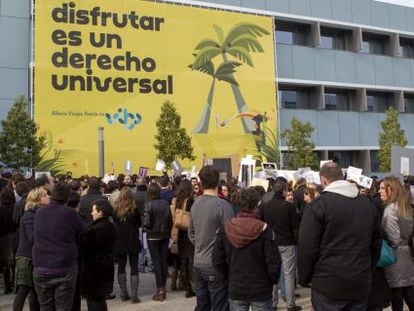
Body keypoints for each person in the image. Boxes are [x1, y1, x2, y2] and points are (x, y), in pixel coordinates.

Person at [298, 162, 382, 311]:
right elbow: (376, 243)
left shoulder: (318, 206)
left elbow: (307, 247)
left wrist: (304, 278)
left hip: (328, 282)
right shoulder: (367, 205)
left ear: (323, 180)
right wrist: (368, 269)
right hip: (358, 278)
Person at [213, 188, 281, 311]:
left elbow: (217, 260)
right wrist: (272, 280)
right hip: (259, 289)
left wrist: (229, 276)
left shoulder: (225, 230)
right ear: (256, 205)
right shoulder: (265, 231)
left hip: (238, 287)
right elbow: (274, 263)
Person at [32, 182, 86, 311]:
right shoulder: (70, 213)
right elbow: (83, 231)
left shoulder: (39, 213)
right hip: (64, 266)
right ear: (67, 198)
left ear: (51, 196)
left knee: (45, 307)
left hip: (41, 265)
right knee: (64, 307)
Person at [188, 165, 234, 311]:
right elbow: (231, 235)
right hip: (216, 264)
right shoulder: (222, 205)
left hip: (198, 262)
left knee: (202, 305)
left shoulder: (196, 204)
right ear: (218, 182)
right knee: (220, 306)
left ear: (201, 182)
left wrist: (202, 243)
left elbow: (191, 233)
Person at [262, 179, 301, 311]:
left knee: (273, 273)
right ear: (284, 191)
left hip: (271, 242)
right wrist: (296, 241)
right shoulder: (289, 206)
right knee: (289, 274)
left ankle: (273, 303)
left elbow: (262, 225)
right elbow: (295, 228)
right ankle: (290, 304)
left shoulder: (265, 206)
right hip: (287, 242)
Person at [380, 177, 414, 311]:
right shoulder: (404, 207)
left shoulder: (390, 210)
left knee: (397, 297)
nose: (379, 191)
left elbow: (393, 238)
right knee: (408, 293)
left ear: (391, 190)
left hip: (395, 257)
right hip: (406, 255)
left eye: (382, 188)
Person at [13, 188, 49, 311]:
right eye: (45, 195)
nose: (48, 197)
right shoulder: (29, 216)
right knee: (23, 290)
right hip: (26, 258)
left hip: (34, 257)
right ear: (39, 199)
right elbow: (32, 237)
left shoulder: (39, 214)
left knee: (34, 291)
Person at [79, 199, 117, 311]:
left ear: (100, 212)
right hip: (106, 266)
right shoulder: (111, 226)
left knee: (93, 301)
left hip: (93, 270)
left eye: (94, 210)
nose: (92, 213)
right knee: (100, 300)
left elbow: (84, 248)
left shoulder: (95, 229)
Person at [143, 183, 173, 301]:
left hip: (153, 235)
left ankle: (160, 289)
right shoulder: (165, 203)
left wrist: (148, 229)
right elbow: (169, 219)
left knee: (156, 262)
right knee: (163, 261)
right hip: (164, 234)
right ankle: (163, 287)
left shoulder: (148, 204)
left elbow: (146, 223)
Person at [113, 187, 142, 303]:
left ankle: (123, 292)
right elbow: (139, 224)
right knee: (134, 266)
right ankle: (134, 294)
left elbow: (115, 223)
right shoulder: (135, 210)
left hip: (119, 241)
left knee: (121, 265)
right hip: (133, 240)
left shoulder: (115, 210)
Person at [173, 179, 196, 298]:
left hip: (180, 231)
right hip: (188, 231)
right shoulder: (190, 200)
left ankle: (186, 286)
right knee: (189, 259)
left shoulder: (178, 199)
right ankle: (189, 287)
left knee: (182, 259)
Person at [0, 188, 17, 294]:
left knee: (4, 263)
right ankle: (14, 284)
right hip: (14, 236)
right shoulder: (16, 208)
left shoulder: (0, 209)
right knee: (14, 262)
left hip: (2, 238)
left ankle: (7, 286)